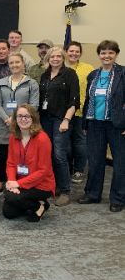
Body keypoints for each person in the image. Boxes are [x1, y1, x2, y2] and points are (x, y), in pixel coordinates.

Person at [79, 40, 125, 213]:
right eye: (103, 53)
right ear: (99, 55)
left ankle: (118, 198)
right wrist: (85, 123)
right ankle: (92, 194)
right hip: (95, 124)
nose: (107, 56)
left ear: (116, 54)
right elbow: (88, 100)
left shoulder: (123, 73)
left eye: (110, 53)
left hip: (117, 125)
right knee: (95, 161)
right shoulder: (93, 75)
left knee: (120, 163)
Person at [0, 53, 39, 193]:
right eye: (11, 63)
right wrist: (7, 119)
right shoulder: (0, 83)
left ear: (23, 64)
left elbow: (34, 105)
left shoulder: (31, 83)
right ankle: (1, 180)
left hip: (24, 125)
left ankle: (20, 180)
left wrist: (17, 119)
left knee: (22, 154)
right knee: (3, 154)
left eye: (17, 62)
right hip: (4, 124)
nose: (14, 65)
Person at [39, 47, 79, 207]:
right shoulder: (44, 76)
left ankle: (65, 191)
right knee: (47, 153)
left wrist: (66, 120)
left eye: (58, 56)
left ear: (63, 58)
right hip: (45, 119)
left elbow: (74, 100)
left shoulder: (70, 74)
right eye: (52, 56)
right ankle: (51, 186)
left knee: (59, 154)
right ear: (48, 58)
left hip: (61, 119)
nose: (55, 59)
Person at [3, 104, 55, 222]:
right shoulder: (13, 137)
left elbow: (43, 171)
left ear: (33, 118)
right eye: (20, 116)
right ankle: (33, 203)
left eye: (27, 116)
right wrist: (11, 181)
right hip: (19, 180)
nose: (23, 119)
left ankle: (40, 206)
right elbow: (10, 163)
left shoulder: (42, 139)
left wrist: (18, 184)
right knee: (8, 213)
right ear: (15, 119)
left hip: (41, 184)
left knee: (11, 196)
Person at [66, 41, 95, 184]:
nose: (74, 54)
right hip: (63, 113)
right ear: (66, 52)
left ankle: (79, 170)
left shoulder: (88, 68)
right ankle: (67, 169)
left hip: (81, 112)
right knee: (65, 144)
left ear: (81, 53)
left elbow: (93, 91)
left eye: (77, 51)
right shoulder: (60, 67)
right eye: (71, 51)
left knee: (80, 143)